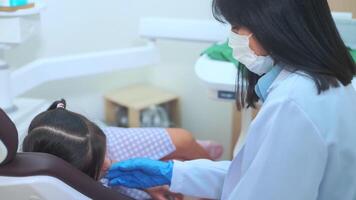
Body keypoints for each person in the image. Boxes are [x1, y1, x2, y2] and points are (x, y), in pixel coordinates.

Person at [106, 0, 356, 199]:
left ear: (273, 26)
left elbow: (261, 189)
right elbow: (253, 175)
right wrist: (173, 173)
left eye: (237, 26)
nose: (232, 37)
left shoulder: (294, 102)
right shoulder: (334, 81)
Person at [22, 99, 223, 200]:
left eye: (106, 154)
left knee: (182, 147)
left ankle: (201, 150)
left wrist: (149, 184)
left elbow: (182, 139)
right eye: (99, 166)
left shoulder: (104, 143)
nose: (109, 163)